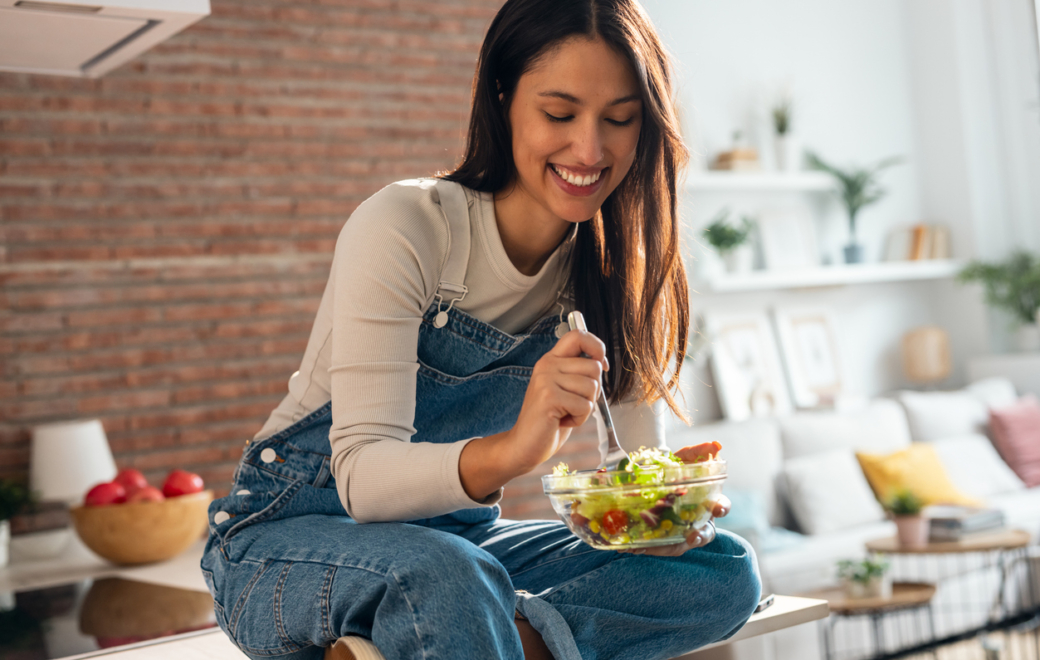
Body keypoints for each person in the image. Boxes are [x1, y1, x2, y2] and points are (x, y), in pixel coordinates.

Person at [200, 1, 761, 658]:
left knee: (719, 567)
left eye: (619, 119)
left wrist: (667, 508)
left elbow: (636, 479)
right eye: (560, 114)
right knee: (448, 578)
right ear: (503, 97)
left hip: (455, 544)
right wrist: (518, 449)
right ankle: (453, 625)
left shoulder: (609, 271)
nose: (590, 148)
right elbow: (362, 480)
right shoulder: (408, 227)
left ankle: (444, 638)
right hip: (288, 538)